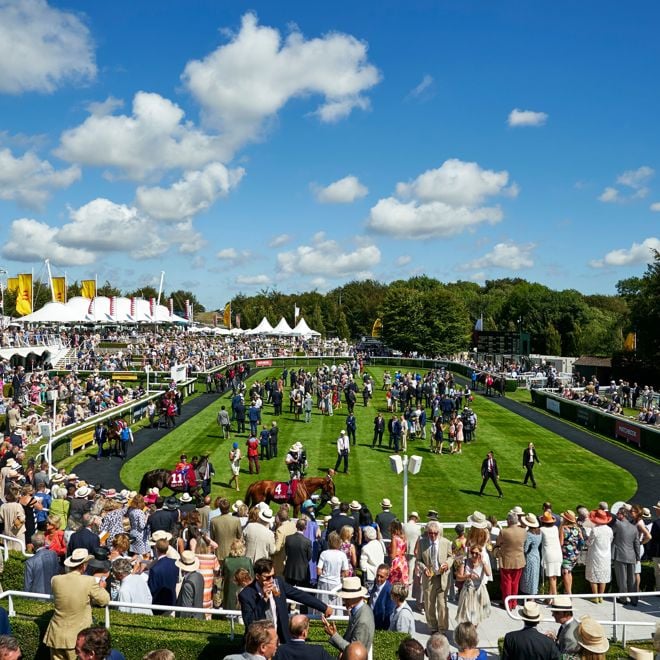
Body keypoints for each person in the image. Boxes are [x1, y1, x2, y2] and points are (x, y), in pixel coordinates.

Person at [240, 558, 332, 644]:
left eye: (273, 576)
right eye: (267, 577)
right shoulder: (246, 595)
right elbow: (249, 623)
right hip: (258, 643)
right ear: (257, 576)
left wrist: (323, 607)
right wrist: (263, 599)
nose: (271, 580)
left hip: (280, 639)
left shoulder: (278, 583)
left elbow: (299, 595)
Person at [44, 549, 111, 660]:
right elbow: (105, 600)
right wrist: (101, 587)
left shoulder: (55, 580)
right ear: (84, 566)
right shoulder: (89, 581)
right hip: (77, 639)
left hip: (56, 635)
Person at [322, 576, 375, 656]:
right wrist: (334, 633)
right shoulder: (358, 610)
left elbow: (355, 652)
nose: (344, 601)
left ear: (356, 596)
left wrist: (334, 635)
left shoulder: (363, 620)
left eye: (347, 598)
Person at [417, 520, 453, 634]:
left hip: (441, 577)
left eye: (435, 533)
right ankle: (433, 627)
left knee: (442, 605)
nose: (432, 535)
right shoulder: (422, 543)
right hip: (429, 578)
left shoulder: (446, 542)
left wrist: (447, 564)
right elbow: (418, 560)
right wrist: (424, 569)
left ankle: (442, 629)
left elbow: (451, 557)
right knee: (429, 604)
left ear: (439, 533)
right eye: (430, 533)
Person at [494, 512, 526, 611]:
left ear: (508, 521)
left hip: (506, 560)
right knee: (515, 583)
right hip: (519, 560)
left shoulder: (504, 532)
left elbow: (498, 543)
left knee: (506, 583)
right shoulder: (523, 531)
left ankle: (507, 603)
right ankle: (513, 603)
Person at [455, 544, 491, 626]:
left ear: (480, 554)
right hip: (467, 591)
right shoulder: (465, 561)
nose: (474, 555)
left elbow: (488, 573)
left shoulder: (483, 563)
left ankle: (473, 632)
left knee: (476, 615)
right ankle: (467, 632)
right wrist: (468, 576)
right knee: (466, 615)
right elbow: (458, 577)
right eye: (472, 552)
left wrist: (483, 562)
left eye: (477, 553)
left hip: (479, 592)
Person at [611, 505, 640, 606]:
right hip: (631, 556)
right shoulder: (634, 528)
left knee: (622, 579)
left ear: (623, 515)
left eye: (618, 513)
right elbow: (637, 544)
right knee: (632, 580)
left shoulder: (617, 524)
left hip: (620, 555)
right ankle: (634, 599)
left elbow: (611, 535)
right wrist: (638, 557)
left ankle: (623, 599)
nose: (616, 515)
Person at [585, 508, 614, 602]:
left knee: (593, 576)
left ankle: (595, 596)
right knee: (603, 577)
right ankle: (601, 596)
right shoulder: (610, 530)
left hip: (595, 555)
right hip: (605, 555)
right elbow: (610, 541)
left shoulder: (595, 530)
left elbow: (589, 543)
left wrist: (586, 540)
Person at [317, 531, 350, 611]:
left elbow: (318, 571)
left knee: (322, 604)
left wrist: (325, 574)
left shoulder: (324, 553)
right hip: (336, 582)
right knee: (335, 605)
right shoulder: (342, 555)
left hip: (323, 581)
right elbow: (346, 573)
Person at [147, 538, 179, 615]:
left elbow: (151, 590)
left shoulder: (154, 569)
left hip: (159, 606)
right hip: (172, 601)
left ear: (156, 549)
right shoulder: (175, 563)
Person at [559, 510, 584, 595]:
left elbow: (561, 543)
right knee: (569, 572)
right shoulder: (578, 529)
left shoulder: (563, 528)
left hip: (566, 554)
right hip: (575, 555)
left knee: (565, 572)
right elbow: (582, 542)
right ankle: (568, 591)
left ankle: (569, 593)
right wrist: (577, 550)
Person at [175, 550, 205, 619]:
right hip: (200, 616)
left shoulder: (187, 585)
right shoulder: (200, 576)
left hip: (192, 620)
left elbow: (185, 609)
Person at [539, 511, 562, 596]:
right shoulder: (555, 528)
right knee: (553, 577)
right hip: (558, 554)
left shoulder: (542, 529)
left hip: (549, 555)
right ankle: (550, 596)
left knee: (551, 577)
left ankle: (554, 596)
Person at [520, 513, 542, 597]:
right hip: (537, 555)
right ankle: (533, 594)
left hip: (529, 556)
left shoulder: (529, 534)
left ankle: (529, 596)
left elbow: (525, 549)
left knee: (528, 576)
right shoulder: (539, 532)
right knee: (534, 576)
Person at [368, 564, 395, 630]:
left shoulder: (389, 591)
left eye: (381, 577)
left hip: (380, 627)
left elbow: (388, 614)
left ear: (387, 576)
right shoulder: (375, 583)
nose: (378, 579)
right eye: (377, 575)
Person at [388, 520, 408, 585]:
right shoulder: (403, 537)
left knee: (394, 583)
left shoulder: (394, 538)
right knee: (402, 582)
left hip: (397, 562)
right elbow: (405, 550)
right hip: (403, 561)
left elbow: (393, 555)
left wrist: (389, 552)